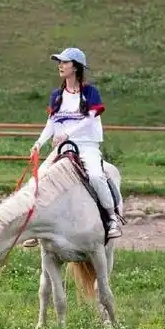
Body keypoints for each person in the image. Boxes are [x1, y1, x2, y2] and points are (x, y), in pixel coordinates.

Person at [31, 47, 121, 238]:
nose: (60, 65)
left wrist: (67, 134)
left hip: (86, 145)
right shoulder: (57, 95)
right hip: (62, 148)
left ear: (76, 67)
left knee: (96, 176)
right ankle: (35, 225)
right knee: (37, 180)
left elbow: (89, 119)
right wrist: (39, 143)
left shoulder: (90, 92)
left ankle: (111, 217)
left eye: (65, 62)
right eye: (59, 62)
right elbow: (51, 123)